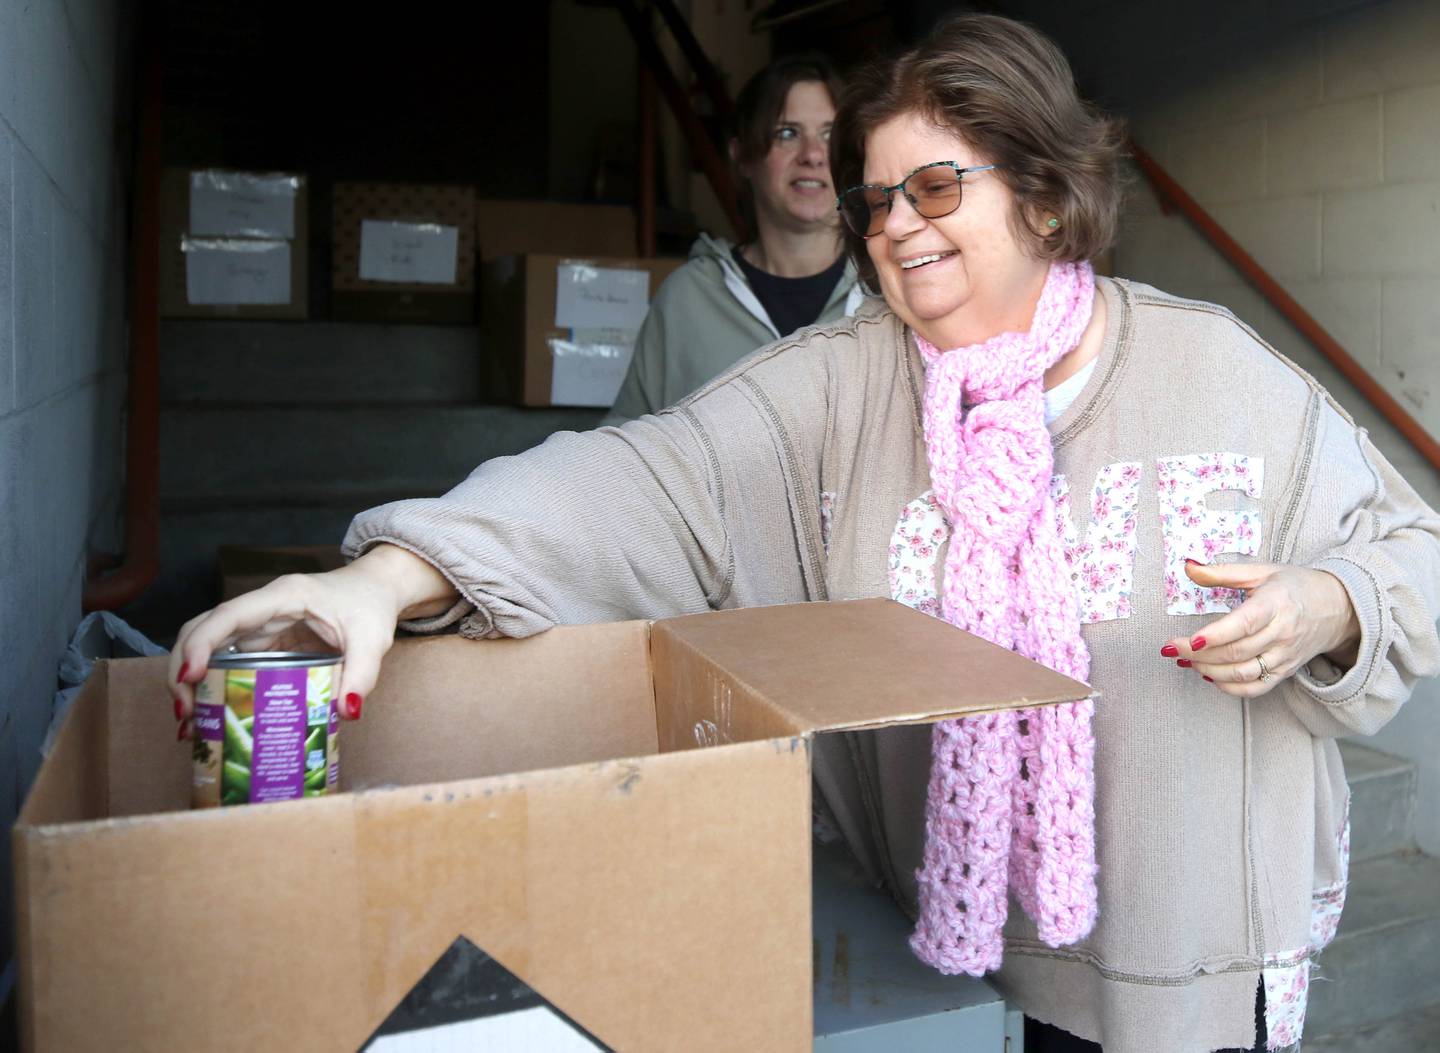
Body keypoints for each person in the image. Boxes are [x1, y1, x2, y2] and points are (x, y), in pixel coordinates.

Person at [169, 14, 1440, 1053]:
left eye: (936, 184)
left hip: (1194, 966)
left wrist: (1328, 607)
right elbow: (641, 479)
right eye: (875, 199)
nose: (894, 224)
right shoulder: (838, 390)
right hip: (951, 962)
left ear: (1049, 197)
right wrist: (387, 580)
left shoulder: (1221, 374)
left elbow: (1410, 547)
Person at [605, 53, 866, 424]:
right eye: (787, 133)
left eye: (829, 135)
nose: (812, 155)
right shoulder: (686, 299)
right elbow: (624, 447)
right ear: (742, 156)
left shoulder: (887, 291)